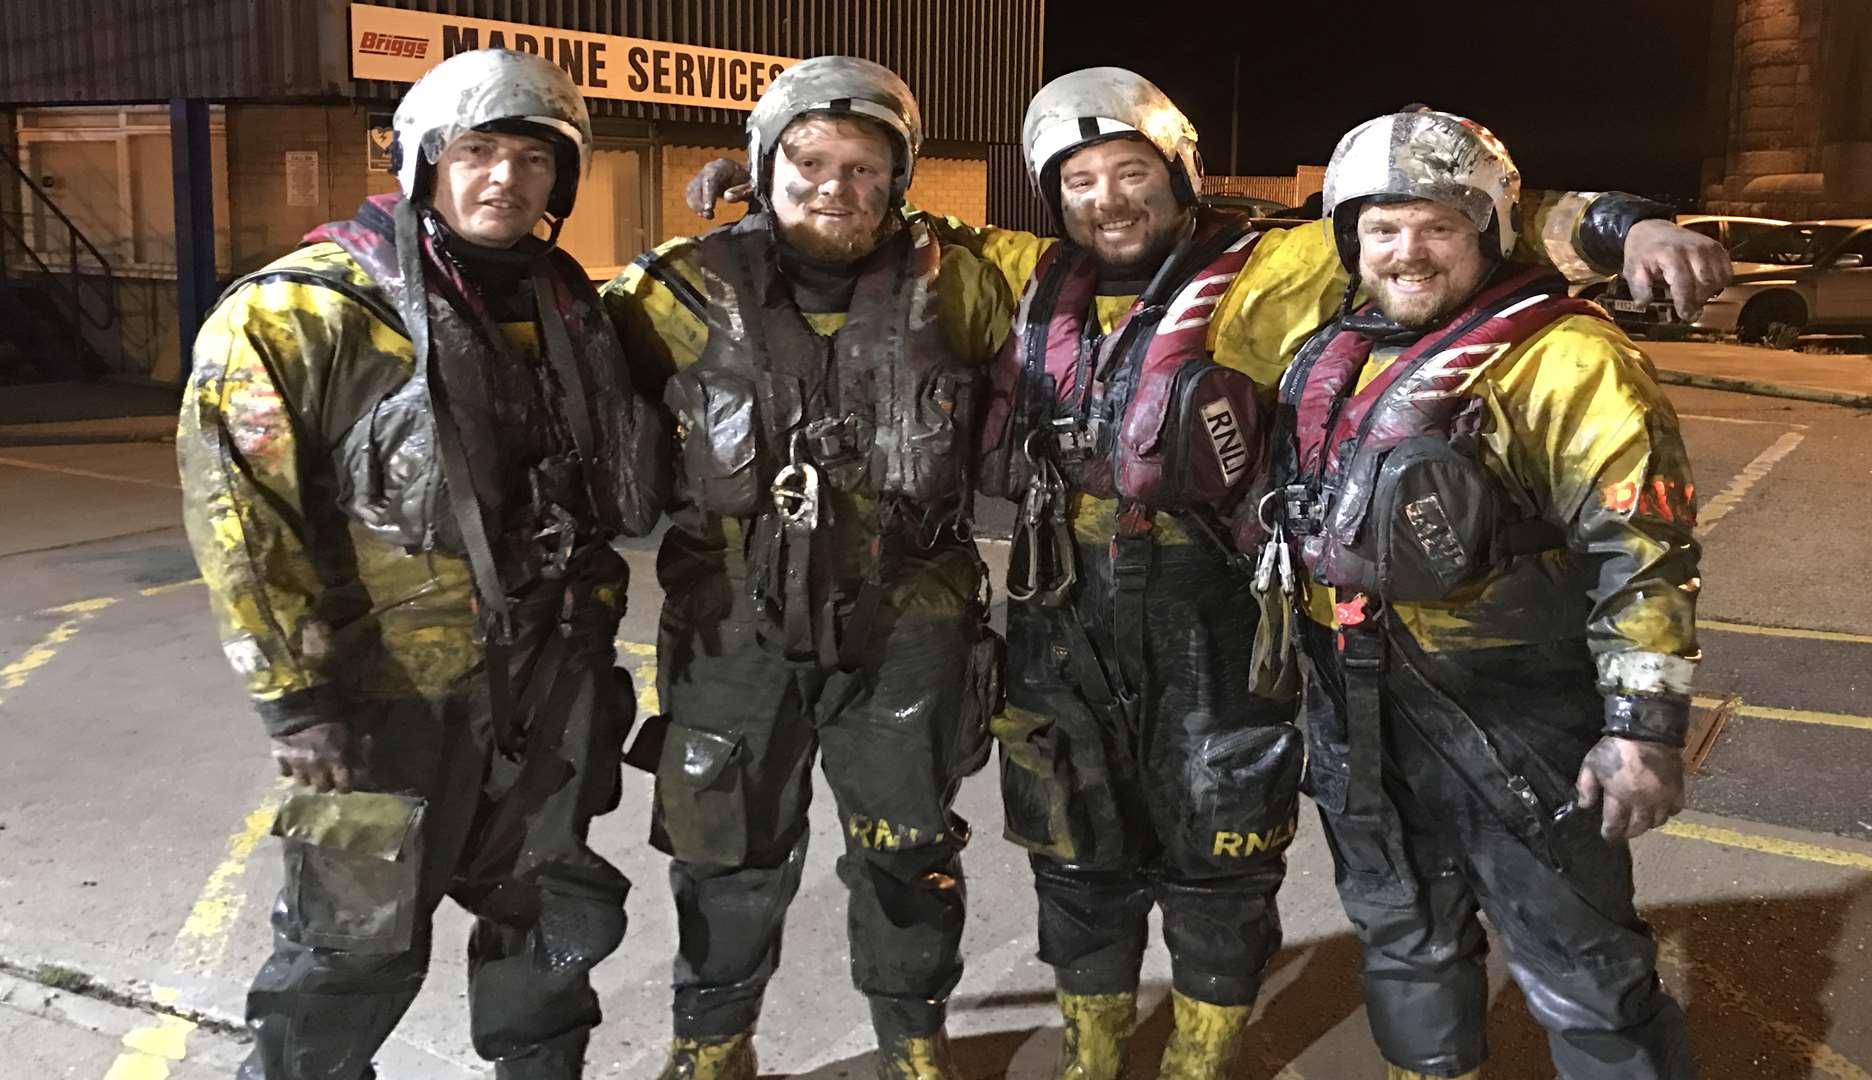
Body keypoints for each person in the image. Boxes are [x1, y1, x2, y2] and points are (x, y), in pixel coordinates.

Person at [688, 68, 1726, 1080]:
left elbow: (1449, 198)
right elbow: (888, 230)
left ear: (1177, 167)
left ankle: (1203, 1052)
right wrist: (772, 200)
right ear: (1052, 193)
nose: (1108, 199)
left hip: (1217, 606)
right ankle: (1093, 1052)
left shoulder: (1288, 266)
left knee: (1224, 847)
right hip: (1065, 608)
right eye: (1080, 179)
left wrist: (1620, 225)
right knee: (1075, 844)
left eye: (1131, 170)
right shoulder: (1018, 272)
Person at [177, 49, 666, 1080]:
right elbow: (240, 514)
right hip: (382, 700)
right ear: (422, 161)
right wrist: (294, 698)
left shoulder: (573, 308)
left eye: (533, 159)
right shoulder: (302, 313)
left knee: (549, 930)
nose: (505, 180)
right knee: (345, 956)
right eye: (477, 151)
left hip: (548, 688)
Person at [1247, 107, 1702, 1080]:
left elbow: (1644, 548)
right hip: (1353, 709)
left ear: (1489, 232)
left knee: (1585, 972)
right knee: (1403, 942)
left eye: (1439, 226)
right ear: (1347, 240)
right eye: (1382, 228)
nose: (1408, 252)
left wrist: (1642, 728)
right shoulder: (1327, 347)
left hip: (1514, 711)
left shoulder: (1569, 357)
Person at [598, 56, 1012, 1080]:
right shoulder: (674, 288)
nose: (836, 185)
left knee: (908, 850)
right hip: (731, 622)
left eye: (865, 167)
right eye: (809, 160)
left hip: (909, 623)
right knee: (724, 851)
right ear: (761, 166)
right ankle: (712, 1044)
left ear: (900, 178)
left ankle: (913, 1044)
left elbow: (1098, 270)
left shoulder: (960, 281)